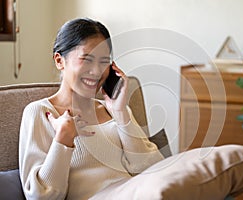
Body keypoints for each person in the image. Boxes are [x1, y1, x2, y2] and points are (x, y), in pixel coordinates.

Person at [19, 18, 164, 200]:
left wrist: (121, 114)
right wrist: (63, 140)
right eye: (86, 60)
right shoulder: (40, 113)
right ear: (59, 61)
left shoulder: (115, 109)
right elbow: (40, 196)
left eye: (104, 62)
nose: (96, 71)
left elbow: (153, 170)